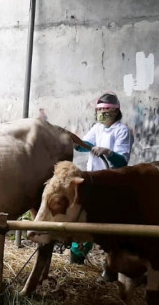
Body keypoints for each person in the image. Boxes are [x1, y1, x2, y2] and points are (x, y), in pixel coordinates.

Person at [70, 91, 133, 269]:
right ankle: (76, 262)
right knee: (86, 221)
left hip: (112, 182)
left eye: (106, 110)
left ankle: (114, 264)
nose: (102, 114)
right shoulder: (97, 128)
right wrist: (77, 143)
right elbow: (85, 146)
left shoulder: (122, 131)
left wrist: (108, 152)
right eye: (99, 110)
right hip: (92, 179)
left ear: (116, 112)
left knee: (108, 224)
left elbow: (122, 161)